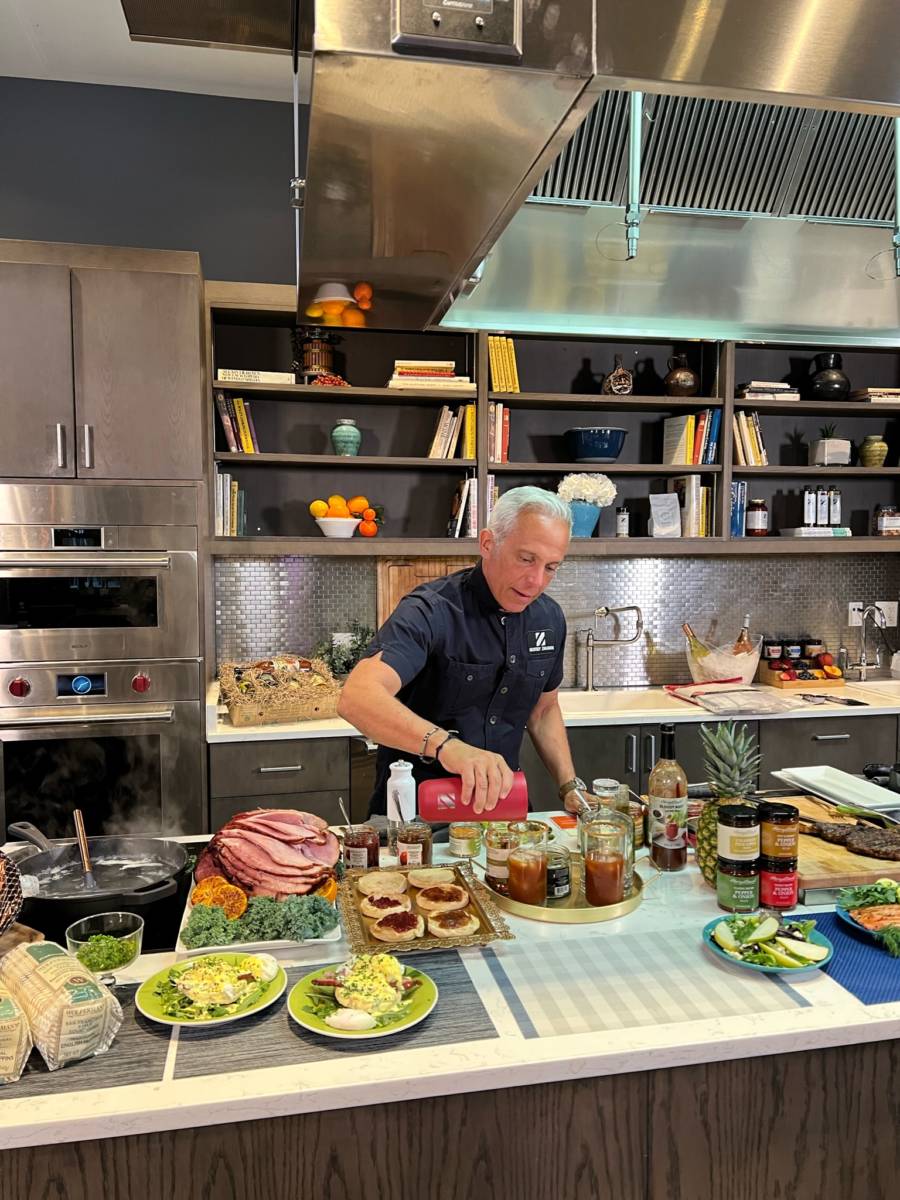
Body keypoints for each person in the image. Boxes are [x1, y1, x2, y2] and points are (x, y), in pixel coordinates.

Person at [338, 486, 589, 816]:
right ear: (487, 543)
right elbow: (356, 697)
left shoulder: (550, 618)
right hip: (416, 818)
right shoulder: (430, 610)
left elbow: (543, 712)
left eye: (551, 567)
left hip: (503, 811)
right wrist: (445, 746)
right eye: (526, 559)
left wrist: (569, 785)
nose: (536, 581)